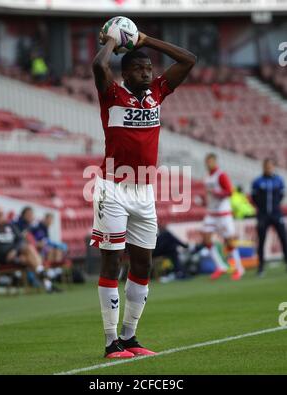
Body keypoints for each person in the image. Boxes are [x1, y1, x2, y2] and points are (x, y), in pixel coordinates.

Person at [91, 29, 196, 358]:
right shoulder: (111, 94)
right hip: (113, 187)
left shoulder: (157, 94)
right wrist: (112, 40)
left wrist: (146, 41)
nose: (147, 73)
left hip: (145, 191)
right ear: (125, 73)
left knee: (143, 265)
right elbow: (98, 66)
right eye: (139, 68)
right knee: (112, 262)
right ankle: (110, 342)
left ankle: (130, 337)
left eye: (150, 68)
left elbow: (188, 59)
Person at [0, 206, 60, 293]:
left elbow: (20, 239)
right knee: (31, 257)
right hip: (3, 258)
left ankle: (47, 283)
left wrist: (14, 250)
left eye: (1, 214)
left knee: (28, 251)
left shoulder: (10, 226)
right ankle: (43, 274)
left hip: (15, 255)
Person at [202, 153, 245, 281]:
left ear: (215, 162)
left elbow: (229, 192)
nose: (208, 164)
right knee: (206, 238)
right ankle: (220, 266)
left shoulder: (221, 175)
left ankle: (239, 268)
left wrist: (215, 193)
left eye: (210, 162)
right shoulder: (207, 177)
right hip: (211, 213)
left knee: (229, 241)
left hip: (223, 214)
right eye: (207, 162)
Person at [251, 158, 287, 276]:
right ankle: (261, 267)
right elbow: (254, 198)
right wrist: (262, 209)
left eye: (270, 166)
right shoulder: (257, 182)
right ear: (263, 167)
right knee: (261, 241)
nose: (268, 169)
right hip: (263, 215)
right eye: (266, 166)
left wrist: (275, 207)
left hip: (277, 214)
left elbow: (281, 195)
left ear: (273, 167)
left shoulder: (279, 180)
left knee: (284, 238)